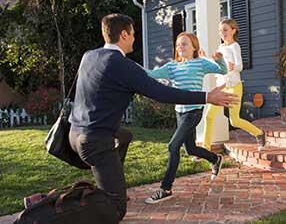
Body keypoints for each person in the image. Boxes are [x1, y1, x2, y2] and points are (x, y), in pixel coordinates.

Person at [68, 14, 238, 221]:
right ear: (123, 34)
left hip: (74, 133)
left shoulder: (89, 55)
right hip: (95, 141)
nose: (134, 38)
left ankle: (115, 184)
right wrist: (208, 96)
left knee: (125, 136)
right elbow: (162, 93)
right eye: (133, 33)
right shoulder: (123, 65)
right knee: (115, 209)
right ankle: (49, 211)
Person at [143, 32, 227, 204]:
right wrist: (131, 66)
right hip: (179, 112)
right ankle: (215, 158)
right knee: (191, 149)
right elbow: (151, 74)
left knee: (173, 146)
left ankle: (165, 188)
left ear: (194, 47)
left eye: (184, 44)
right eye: (178, 44)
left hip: (193, 112)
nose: (180, 47)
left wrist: (219, 59)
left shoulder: (200, 63)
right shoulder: (171, 67)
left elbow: (223, 70)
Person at [203, 18, 266, 152]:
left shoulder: (235, 46)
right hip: (221, 86)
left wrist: (233, 66)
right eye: (220, 30)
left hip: (234, 86)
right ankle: (205, 148)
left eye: (225, 30)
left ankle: (259, 133)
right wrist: (204, 57)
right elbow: (216, 64)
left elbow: (240, 66)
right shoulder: (220, 47)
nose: (222, 33)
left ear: (233, 30)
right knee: (209, 116)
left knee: (235, 121)